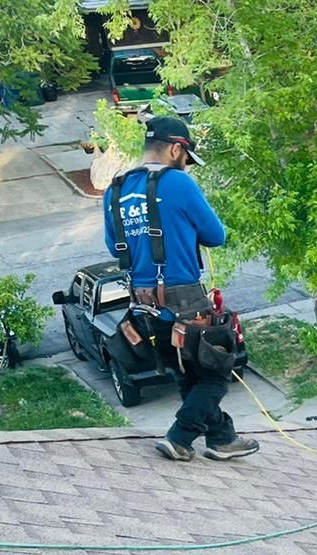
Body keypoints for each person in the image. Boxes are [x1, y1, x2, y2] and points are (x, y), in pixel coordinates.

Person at [103, 115, 258, 463]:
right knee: (217, 372)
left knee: (189, 373)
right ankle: (180, 437)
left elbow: (116, 248)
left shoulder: (115, 189)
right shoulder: (178, 184)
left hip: (141, 305)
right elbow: (216, 236)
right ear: (176, 148)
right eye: (186, 159)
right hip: (185, 300)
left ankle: (221, 438)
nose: (186, 166)